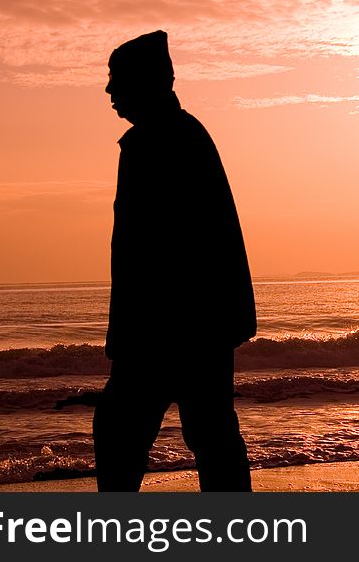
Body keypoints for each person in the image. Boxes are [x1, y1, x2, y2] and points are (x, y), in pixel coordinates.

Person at [92, 31, 255, 492]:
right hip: (195, 325)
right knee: (209, 435)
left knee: (125, 433)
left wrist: (127, 336)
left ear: (146, 83)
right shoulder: (176, 136)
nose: (109, 91)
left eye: (116, 80)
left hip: (169, 327)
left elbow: (150, 256)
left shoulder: (161, 142)